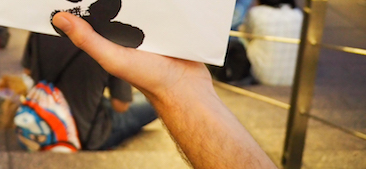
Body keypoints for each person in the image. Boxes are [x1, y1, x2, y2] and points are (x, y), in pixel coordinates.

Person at [52, 13, 277, 167]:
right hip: (92, 134)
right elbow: (121, 106)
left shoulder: (44, 29)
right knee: (145, 105)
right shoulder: (114, 36)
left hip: (52, 115)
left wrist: (175, 87)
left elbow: (28, 71)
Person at [22, 29, 157, 151]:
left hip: (44, 117)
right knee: (157, 99)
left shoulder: (40, 28)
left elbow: (28, 70)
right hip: (88, 135)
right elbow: (121, 105)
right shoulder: (112, 40)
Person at [243, 0, 303, 86]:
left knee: (238, 37)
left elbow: (246, 34)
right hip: (292, 78)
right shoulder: (298, 15)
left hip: (262, 75)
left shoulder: (256, 13)